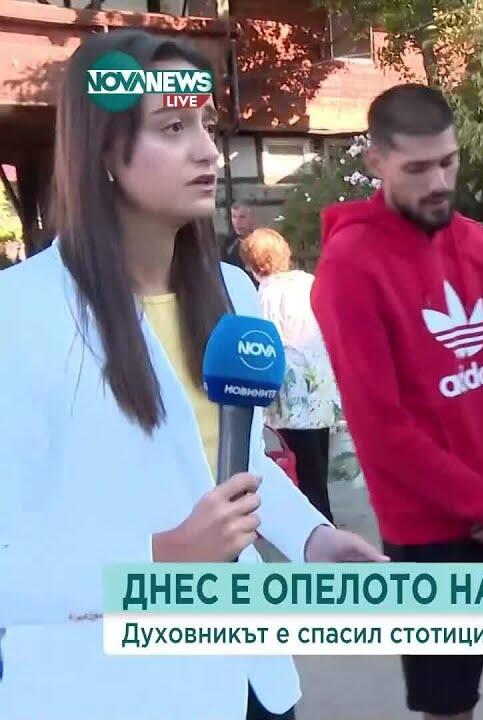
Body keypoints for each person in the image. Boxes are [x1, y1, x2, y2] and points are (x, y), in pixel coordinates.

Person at [0, 30, 386, 720]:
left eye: (206, 124)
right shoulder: (19, 315)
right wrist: (164, 555)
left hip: (253, 680)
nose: (207, 149)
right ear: (104, 152)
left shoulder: (233, 292)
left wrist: (312, 539)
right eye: (173, 127)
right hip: (108, 693)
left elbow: (232, 463)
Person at [310, 84, 483, 720]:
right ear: (376, 162)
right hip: (425, 528)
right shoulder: (349, 267)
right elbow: (382, 432)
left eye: (448, 162)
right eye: (418, 168)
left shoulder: (478, 246)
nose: (439, 182)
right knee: (449, 702)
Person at [240, 227, 342, 523]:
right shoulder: (308, 283)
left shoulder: (263, 296)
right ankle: (324, 521)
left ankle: (318, 526)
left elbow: (263, 347)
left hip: (290, 398)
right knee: (318, 465)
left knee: (302, 471)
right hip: (321, 387)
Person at [222, 201, 258, 276]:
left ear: (252, 218)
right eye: (234, 217)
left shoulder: (261, 243)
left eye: (242, 217)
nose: (237, 222)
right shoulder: (228, 243)